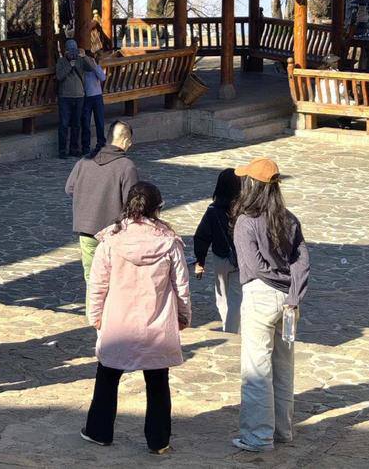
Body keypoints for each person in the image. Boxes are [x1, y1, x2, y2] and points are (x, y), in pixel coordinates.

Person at [81, 181, 191, 456]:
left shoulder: (110, 240)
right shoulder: (169, 242)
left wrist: (95, 316)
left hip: (118, 322)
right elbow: (181, 285)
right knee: (158, 382)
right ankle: (158, 440)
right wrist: (183, 315)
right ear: (157, 207)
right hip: (156, 323)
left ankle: (99, 431)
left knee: (107, 376)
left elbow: (97, 284)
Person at [230, 158, 310, 454]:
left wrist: (277, 279)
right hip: (288, 300)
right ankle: (282, 430)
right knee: (283, 367)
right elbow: (302, 260)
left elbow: (254, 266)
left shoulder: (246, 222)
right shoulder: (289, 219)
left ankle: (258, 436)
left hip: (261, 295)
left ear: (252, 185)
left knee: (257, 369)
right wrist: (293, 293)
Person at [66, 121, 139, 283]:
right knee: (114, 280)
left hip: (86, 230)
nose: (130, 145)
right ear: (125, 140)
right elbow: (133, 202)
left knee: (92, 280)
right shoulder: (126, 166)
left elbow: (69, 188)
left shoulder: (84, 161)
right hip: (113, 232)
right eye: (129, 142)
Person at [192, 168, 242, 333]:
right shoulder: (244, 210)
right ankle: (233, 329)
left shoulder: (213, 211)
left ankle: (229, 328)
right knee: (236, 298)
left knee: (222, 298)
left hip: (220, 258)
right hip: (240, 259)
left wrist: (200, 260)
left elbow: (201, 236)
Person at [55, 40, 93, 159]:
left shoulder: (80, 60)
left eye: (74, 51)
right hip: (65, 97)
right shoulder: (61, 61)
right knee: (64, 124)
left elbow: (91, 68)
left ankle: (74, 149)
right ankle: (62, 150)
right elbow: (59, 76)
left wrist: (84, 56)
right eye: (70, 51)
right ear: (65, 51)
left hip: (79, 96)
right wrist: (69, 65)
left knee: (76, 124)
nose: (72, 54)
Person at [80, 48, 108, 157]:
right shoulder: (82, 69)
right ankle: (85, 146)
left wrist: (94, 65)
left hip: (97, 97)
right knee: (85, 123)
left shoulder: (95, 67)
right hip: (86, 97)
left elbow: (102, 77)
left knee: (99, 121)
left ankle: (101, 143)